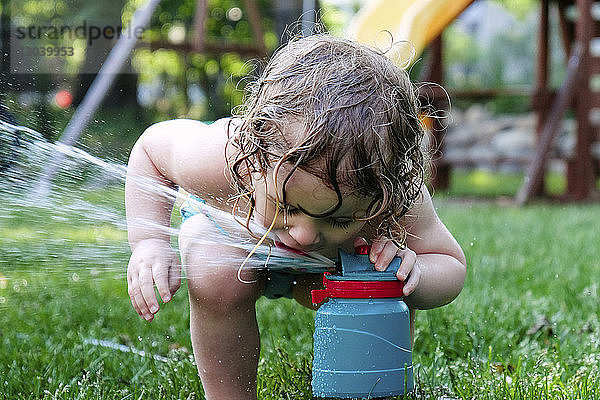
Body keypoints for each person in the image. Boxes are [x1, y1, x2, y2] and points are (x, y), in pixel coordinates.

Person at [125, 33, 466, 400]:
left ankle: (373, 387)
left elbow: (450, 265)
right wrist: (149, 242)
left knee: (382, 280)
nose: (303, 235)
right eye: (287, 206)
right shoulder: (226, 157)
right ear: (256, 159)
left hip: (332, 271)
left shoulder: (391, 193)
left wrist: (412, 275)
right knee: (215, 271)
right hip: (234, 236)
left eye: (338, 219)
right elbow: (151, 149)